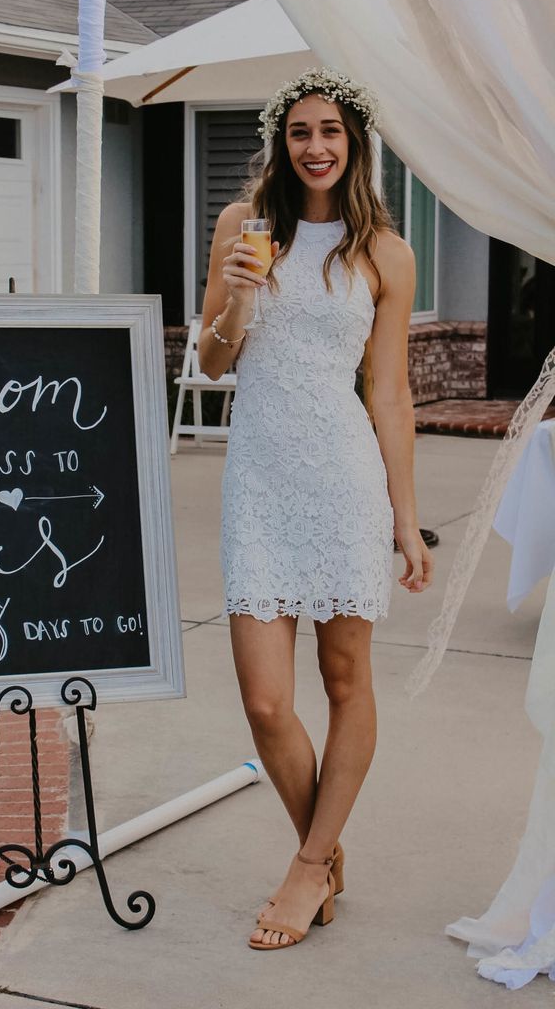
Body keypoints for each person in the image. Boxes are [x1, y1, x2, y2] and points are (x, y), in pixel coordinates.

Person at [198, 67, 434, 951]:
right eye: (300, 131)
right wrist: (235, 295)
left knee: (344, 682)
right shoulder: (243, 229)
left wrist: (405, 519)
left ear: (355, 142)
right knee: (266, 702)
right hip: (258, 476)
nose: (316, 146)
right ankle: (324, 847)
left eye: (331, 130)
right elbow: (216, 366)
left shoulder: (386, 253)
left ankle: (306, 869)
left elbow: (392, 395)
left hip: (343, 478)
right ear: (281, 141)